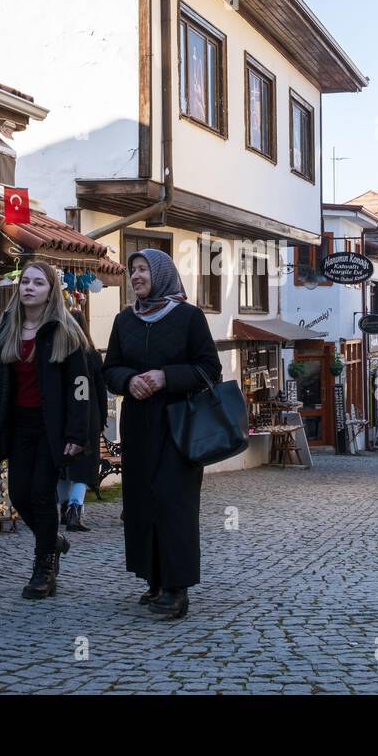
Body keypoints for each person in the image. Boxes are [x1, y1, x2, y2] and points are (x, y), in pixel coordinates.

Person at [103, 248, 221, 620]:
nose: (135, 276)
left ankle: (177, 587)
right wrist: (129, 380)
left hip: (179, 425)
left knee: (174, 502)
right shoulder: (125, 320)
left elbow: (209, 369)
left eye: (142, 270)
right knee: (140, 502)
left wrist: (165, 376)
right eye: (132, 270)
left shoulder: (188, 317)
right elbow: (110, 369)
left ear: (162, 274)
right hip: (139, 424)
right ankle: (152, 578)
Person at [0, 262, 94, 599]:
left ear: (50, 290)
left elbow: (80, 386)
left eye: (38, 283)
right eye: (25, 281)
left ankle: (44, 568)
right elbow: (0, 386)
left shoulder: (65, 330)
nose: (29, 287)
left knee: (41, 494)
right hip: (18, 425)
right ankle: (52, 538)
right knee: (18, 494)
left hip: (52, 427)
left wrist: (77, 434)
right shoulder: (7, 327)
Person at [59, 310, 107, 532]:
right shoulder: (92, 354)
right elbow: (100, 391)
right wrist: (103, 418)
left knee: (65, 463)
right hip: (90, 417)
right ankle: (74, 510)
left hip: (64, 417)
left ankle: (63, 508)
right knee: (84, 466)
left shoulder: (60, 354)